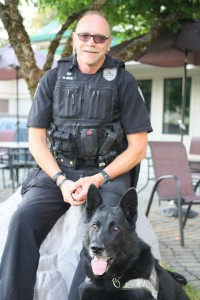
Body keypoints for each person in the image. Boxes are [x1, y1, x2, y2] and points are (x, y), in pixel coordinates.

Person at [0, 11, 160, 300]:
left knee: (100, 234)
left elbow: (138, 147)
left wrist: (98, 179)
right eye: (84, 35)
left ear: (108, 44)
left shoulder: (124, 82)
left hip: (107, 174)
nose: (91, 42)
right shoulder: (52, 78)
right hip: (58, 172)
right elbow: (36, 141)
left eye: (99, 37)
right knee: (22, 218)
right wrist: (61, 180)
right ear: (75, 39)